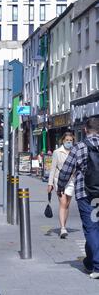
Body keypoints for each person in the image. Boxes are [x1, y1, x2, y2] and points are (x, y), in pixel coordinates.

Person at [57, 118, 99, 278]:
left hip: (85, 193)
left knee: (91, 228)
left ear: (86, 130)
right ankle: (90, 261)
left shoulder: (79, 147)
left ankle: (96, 266)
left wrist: (61, 186)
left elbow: (67, 170)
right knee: (95, 228)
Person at [48, 132, 75, 238]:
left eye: (71, 140)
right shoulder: (57, 152)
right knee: (63, 203)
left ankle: (64, 225)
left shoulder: (74, 152)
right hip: (59, 181)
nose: (69, 142)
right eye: (67, 140)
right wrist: (50, 183)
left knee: (67, 204)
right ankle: (63, 228)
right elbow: (52, 169)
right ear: (63, 141)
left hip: (71, 181)